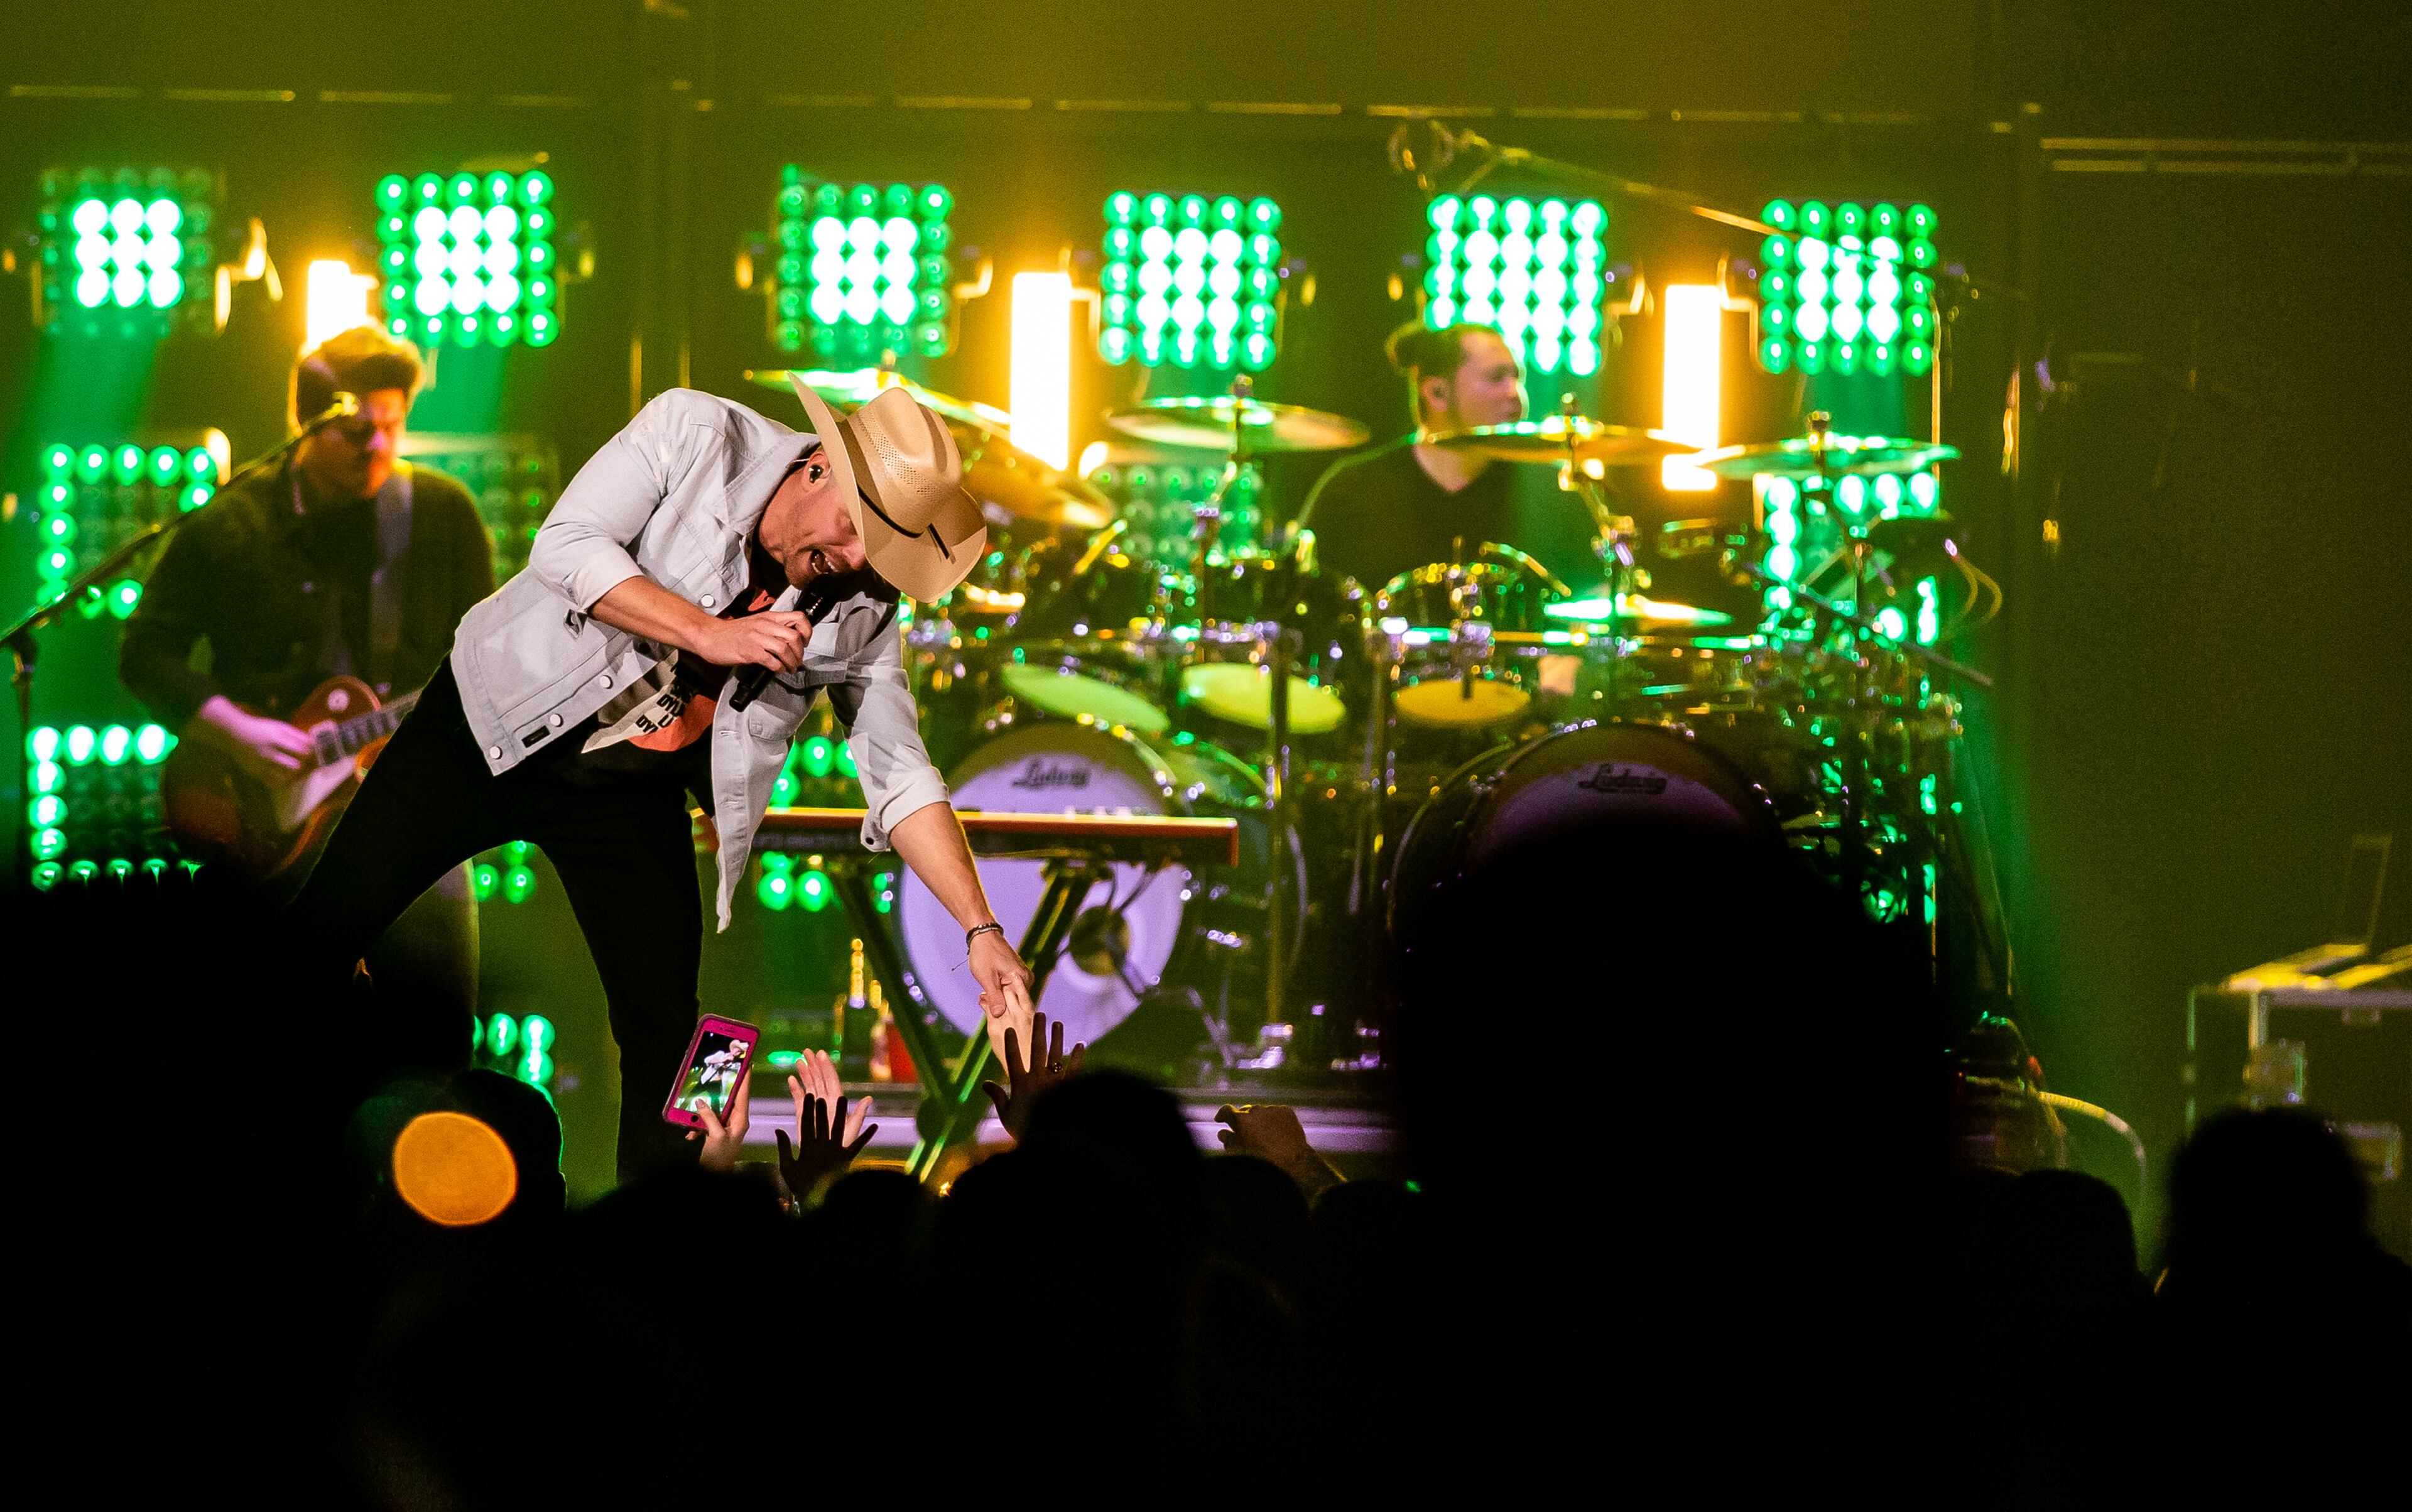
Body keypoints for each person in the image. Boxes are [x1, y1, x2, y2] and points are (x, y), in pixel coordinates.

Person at [286, 379, 1036, 1178]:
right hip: (487, 727)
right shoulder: (697, 433)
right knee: (312, 943)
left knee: (671, 1049)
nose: (854, 563)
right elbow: (567, 545)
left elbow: (899, 770)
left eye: (880, 556)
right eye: (856, 532)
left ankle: (655, 1256)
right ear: (820, 466)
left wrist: (980, 929)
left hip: (627, 792)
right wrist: (714, 635)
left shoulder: (862, 605)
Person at [121, 325, 494, 1040]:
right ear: (309, 419)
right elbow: (145, 654)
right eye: (356, 432)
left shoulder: (442, 517)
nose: (376, 448)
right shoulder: (230, 521)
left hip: (412, 826)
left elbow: (495, 660)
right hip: (258, 831)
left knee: (432, 1048)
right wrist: (240, 733)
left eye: (390, 428)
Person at [1299, 321, 1596, 592]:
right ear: (1437, 393)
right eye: (1496, 378)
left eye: (1516, 378)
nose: (1514, 393)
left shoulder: (1552, 490)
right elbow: (1302, 598)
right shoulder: (1353, 488)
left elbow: (1593, 595)